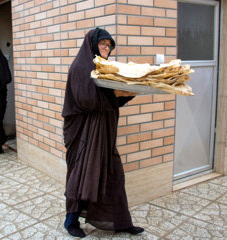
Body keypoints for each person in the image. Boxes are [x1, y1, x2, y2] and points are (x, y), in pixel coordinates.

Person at [62, 28, 144, 238]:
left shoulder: (104, 68)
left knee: (113, 174)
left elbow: (110, 101)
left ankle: (121, 222)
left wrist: (128, 93)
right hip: (83, 135)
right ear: (92, 44)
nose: (106, 48)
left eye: (109, 45)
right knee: (81, 175)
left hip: (104, 134)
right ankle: (70, 221)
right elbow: (87, 101)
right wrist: (117, 93)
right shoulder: (81, 67)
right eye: (102, 44)